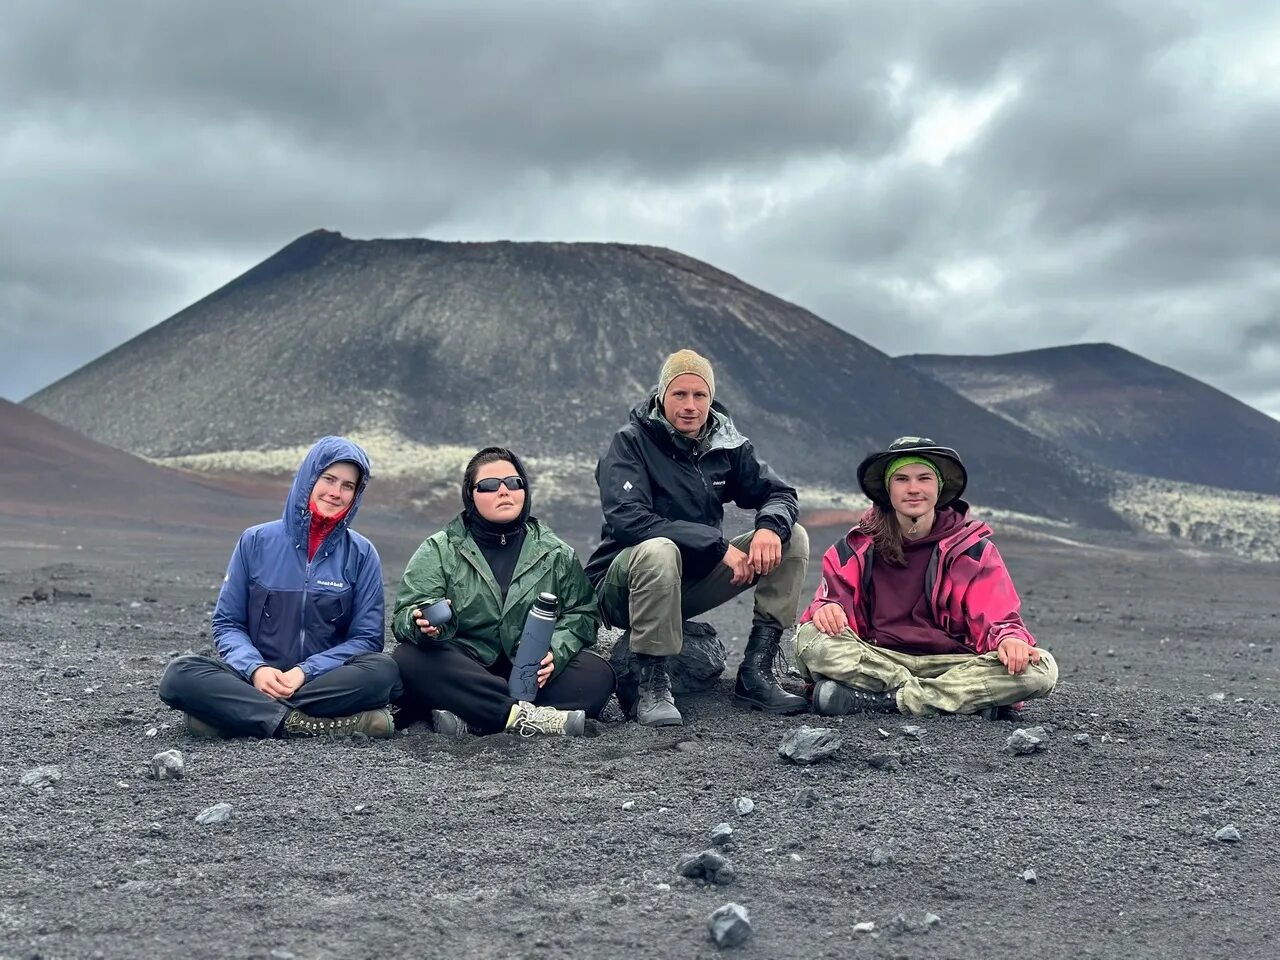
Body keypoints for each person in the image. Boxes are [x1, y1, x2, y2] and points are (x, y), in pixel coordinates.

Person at [585, 349, 809, 727]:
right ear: (661, 396)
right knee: (659, 549)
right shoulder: (631, 442)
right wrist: (716, 546)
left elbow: (780, 493)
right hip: (623, 589)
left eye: (699, 395)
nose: (690, 405)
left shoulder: (725, 444)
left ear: (710, 398)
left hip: (687, 584)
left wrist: (770, 527)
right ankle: (652, 685)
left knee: (793, 537)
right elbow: (628, 519)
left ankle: (756, 672)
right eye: (679, 394)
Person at [794, 436, 1059, 718]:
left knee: (1040, 668)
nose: (913, 489)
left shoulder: (973, 550)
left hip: (954, 664)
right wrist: (827, 609)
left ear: (939, 487)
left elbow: (998, 617)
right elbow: (831, 603)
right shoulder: (854, 548)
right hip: (877, 658)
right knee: (810, 639)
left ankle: (880, 700)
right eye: (901, 479)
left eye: (924, 478)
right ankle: (956, 699)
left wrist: (1010, 640)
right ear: (887, 488)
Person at [159, 436, 400, 738]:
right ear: (309, 478)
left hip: (320, 681)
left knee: (384, 673)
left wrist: (305, 671)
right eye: (328, 479)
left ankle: (240, 714)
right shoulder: (255, 541)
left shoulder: (362, 553)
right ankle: (303, 722)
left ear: (356, 495)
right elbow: (228, 623)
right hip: (255, 678)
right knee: (179, 675)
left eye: (347, 486)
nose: (336, 492)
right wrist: (256, 669)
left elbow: (365, 639)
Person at [391, 446, 613, 737]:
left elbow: (583, 614)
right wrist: (421, 623)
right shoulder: (440, 548)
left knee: (598, 675)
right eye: (490, 486)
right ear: (470, 494)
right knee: (408, 658)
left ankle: (471, 717)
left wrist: (555, 653)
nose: (504, 491)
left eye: (514, 482)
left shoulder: (556, 552)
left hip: (529, 672)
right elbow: (404, 616)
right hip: (465, 666)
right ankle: (523, 717)